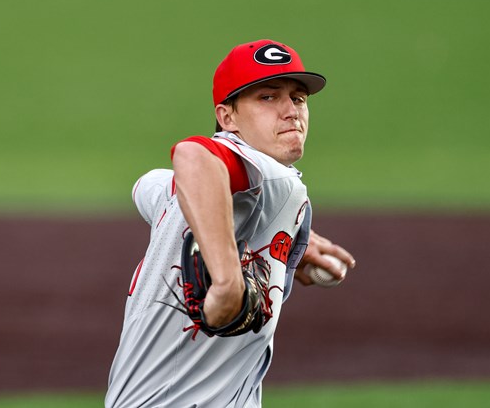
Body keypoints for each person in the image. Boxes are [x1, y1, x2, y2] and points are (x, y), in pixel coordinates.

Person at [105, 39, 356, 408]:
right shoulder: (271, 177)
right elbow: (192, 155)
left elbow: (145, 185)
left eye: (298, 98)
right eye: (268, 97)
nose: (291, 111)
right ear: (227, 117)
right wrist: (226, 282)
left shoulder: (176, 192)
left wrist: (284, 245)